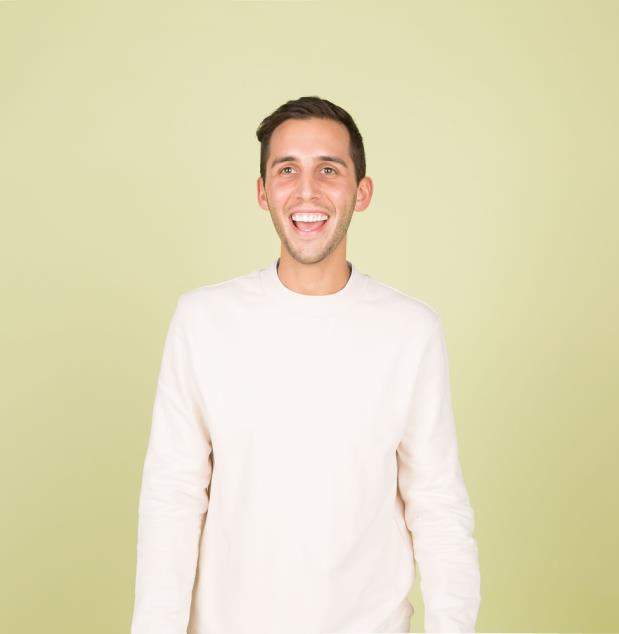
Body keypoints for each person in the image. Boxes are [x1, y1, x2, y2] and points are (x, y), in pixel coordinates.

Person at [130, 96, 481, 634]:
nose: (307, 190)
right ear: (262, 191)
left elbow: (436, 504)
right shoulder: (203, 321)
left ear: (361, 192)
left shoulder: (411, 330)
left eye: (329, 169)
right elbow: (172, 495)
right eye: (287, 169)